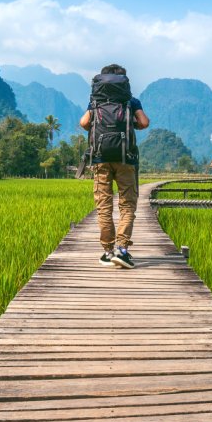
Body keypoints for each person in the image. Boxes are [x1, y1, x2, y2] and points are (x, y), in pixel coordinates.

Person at [80, 64, 150, 269]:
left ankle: (107, 252)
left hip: (101, 159)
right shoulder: (130, 100)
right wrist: (132, 125)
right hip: (126, 158)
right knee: (127, 205)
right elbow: (144, 122)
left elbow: (84, 123)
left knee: (104, 206)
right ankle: (122, 249)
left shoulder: (96, 101)